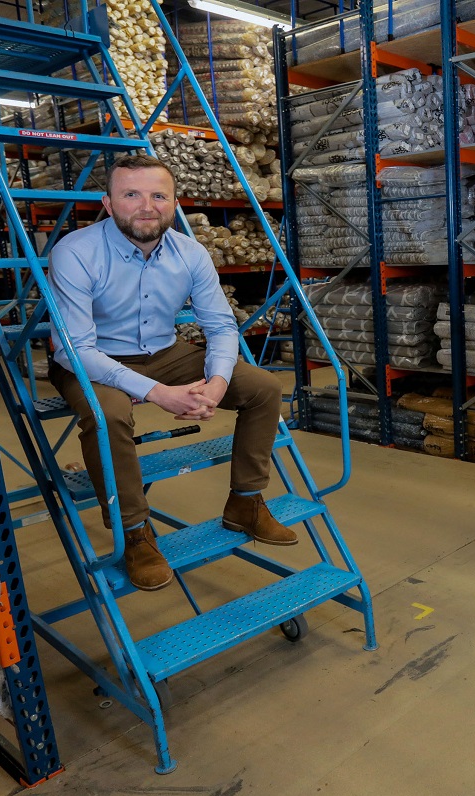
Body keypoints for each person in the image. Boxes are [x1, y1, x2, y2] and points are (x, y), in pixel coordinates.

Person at [49, 154, 294, 593]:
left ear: (174, 201)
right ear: (107, 203)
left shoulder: (190, 252)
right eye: (132, 195)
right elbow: (75, 349)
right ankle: (135, 533)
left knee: (263, 388)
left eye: (159, 195)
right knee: (109, 415)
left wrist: (218, 383)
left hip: (165, 350)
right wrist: (158, 393)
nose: (147, 206)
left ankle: (245, 502)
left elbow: (220, 326)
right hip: (91, 359)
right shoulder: (76, 252)